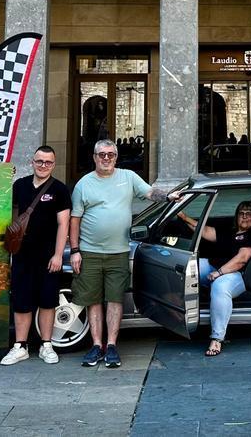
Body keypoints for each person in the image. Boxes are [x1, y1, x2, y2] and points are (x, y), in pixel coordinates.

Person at [71, 139, 177, 368]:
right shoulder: (83, 184)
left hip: (119, 252)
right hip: (89, 252)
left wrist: (169, 197)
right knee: (93, 301)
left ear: (116, 157)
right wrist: (75, 250)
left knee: (115, 299)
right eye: (102, 154)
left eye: (110, 154)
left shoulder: (128, 177)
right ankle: (96, 345)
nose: (106, 158)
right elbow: (75, 219)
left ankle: (111, 345)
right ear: (94, 157)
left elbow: (150, 192)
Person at [1, 146, 72, 366]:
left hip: (48, 255)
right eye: (39, 161)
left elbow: (63, 224)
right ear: (32, 162)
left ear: (54, 164)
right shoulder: (19, 186)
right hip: (22, 254)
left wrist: (58, 255)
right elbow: (7, 214)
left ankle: (46, 345)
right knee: (21, 300)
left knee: (47, 300)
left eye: (48, 162)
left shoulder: (60, 189)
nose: (43, 165)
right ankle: (20, 346)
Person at [177, 201, 251, 356]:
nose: (244, 216)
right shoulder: (230, 231)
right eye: (241, 213)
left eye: (249, 213)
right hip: (214, 267)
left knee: (219, 287)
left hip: (237, 275)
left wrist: (219, 273)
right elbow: (204, 231)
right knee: (186, 267)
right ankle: (172, 311)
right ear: (236, 216)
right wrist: (183, 216)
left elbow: (242, 259)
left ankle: (217, 338)